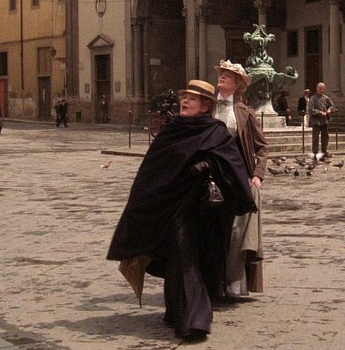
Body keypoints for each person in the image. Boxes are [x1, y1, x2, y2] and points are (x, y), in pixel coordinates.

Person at [107, 79, 255, 341]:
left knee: (186, 257)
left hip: (200, 209)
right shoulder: (171, 130)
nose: (185, 102)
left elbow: (233, 166)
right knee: (180, 257)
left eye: (192, 99)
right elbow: (152, 171)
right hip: (167, 208)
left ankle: (193, 318)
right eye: (184, 97)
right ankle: (184, 315)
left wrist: (208, 165)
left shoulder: (215, 131)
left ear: (206, 106)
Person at [214, 59, 268, 298]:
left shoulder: (245, 113)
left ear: (237, 85)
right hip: (209, 176)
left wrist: (257, 175)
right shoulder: (207, 108)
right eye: (221, 73)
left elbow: (262, 147)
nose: (222, 76)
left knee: (235, 232)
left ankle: (232, 282)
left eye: (228, 75)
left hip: (237, 179)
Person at [308, 82, 334, 157]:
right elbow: (311, 109)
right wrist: (320, 112)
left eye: (323, 89)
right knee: (315, 138)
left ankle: (324, 152)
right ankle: (315, 153)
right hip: (316, 121)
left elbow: (332, 106)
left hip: (324, 120)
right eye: (320, 89)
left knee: (325, 137)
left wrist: (329, 110)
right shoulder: (313, 98)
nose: (322, 90)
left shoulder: (326, 98)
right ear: (317, 89)